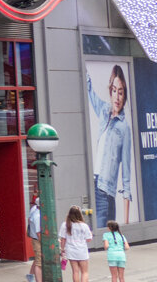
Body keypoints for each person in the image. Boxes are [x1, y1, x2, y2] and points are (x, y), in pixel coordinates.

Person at [87, 66, 133, 226]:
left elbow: (126, 171)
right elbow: (89, 90)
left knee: (102, 238)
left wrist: (127, 225)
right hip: (94, 183)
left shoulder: (124, 128)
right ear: (110, 91)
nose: (117, 97)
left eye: (121, 92)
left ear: (124, 95)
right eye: (114, 90)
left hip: (105, 192)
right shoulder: (104, 111)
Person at [58, 206, 93, 282]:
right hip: (82, 250)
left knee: (75, 271)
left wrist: (62, 250)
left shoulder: (65, 225)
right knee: (84, 272)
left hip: (71, 250)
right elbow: (89, 239)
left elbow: (63, 239)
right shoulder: (84, 225)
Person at [26, 196, 42, 282]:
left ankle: (30, 275)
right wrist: (43, 243)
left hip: (34, 238)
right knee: (39, 263)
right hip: (37, 240)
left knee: (37, 259)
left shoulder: (34, 209)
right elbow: (38, 233)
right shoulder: (38, 216)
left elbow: (29, 220)